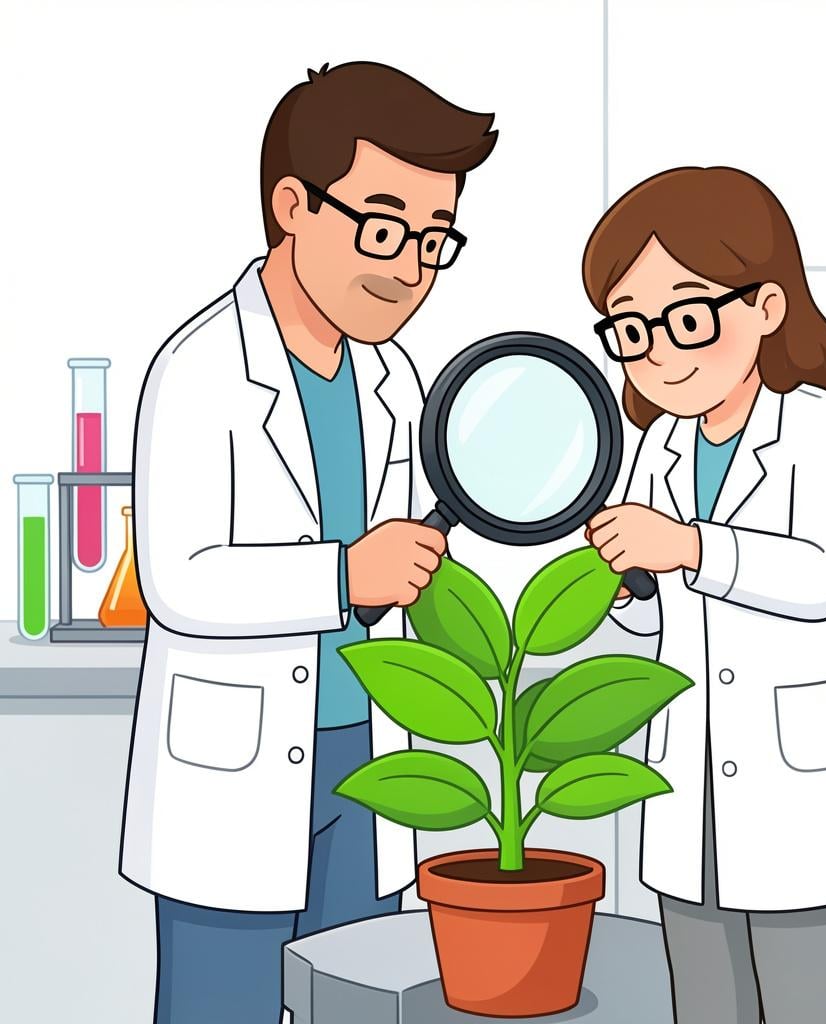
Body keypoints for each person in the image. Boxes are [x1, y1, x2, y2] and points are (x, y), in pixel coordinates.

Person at [119, 62, 497, 1024]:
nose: (408, 267)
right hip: (236, 766)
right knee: (222, 1004)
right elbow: (183, 580)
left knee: (359, 1001)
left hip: (367, 755)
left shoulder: (397, 380)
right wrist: (344, 575)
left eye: (433, 239)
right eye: (382, 227)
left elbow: (417, 560)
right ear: (291, 205)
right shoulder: (199, 369)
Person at [582, 167, 826, 1024]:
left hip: (801, 783)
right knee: (707, 1002)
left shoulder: (818, 427)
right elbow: (656, 618)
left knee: (810, 999)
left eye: (687, 318)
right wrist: (626, 582)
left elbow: (820, 577)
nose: (662, 352)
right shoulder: (659, 449)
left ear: (766, 306)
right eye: (633, 329)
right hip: (691, 784)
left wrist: (684, 546)